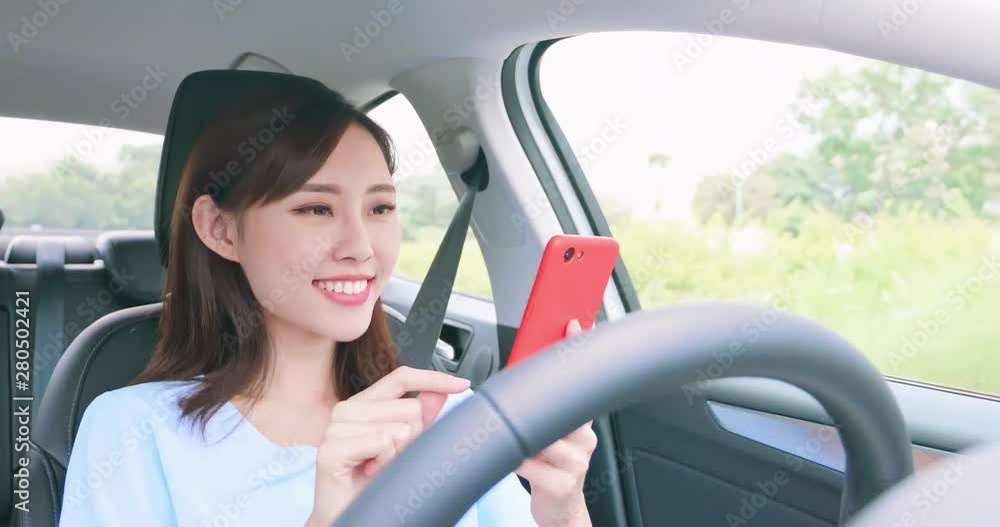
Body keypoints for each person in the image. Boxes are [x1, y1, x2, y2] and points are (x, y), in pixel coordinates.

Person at [58, 83, 597, 526]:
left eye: (380, 208)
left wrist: (562, 510)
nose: (360, 247)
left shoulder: (447, 415)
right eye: (316, 209)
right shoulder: (133, 432)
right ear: (220, 228)